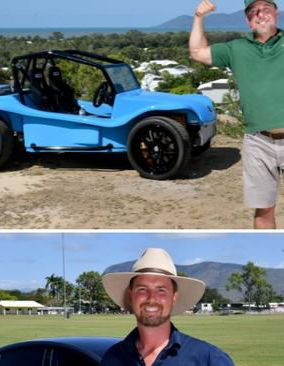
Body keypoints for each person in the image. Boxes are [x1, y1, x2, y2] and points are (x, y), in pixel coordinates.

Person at [190, 0, 284, 229]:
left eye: (265, 9)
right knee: (263, 209)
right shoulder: (237, 49)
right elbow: (197, 52)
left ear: (277, 13)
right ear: (247, 20)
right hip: (257, 141)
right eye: (253, 12)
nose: (260, 15)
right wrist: (199, 17)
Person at [100, 248, 234, 366]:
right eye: (142, 289)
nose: (151, 298)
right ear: (130, 296)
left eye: (161, 290)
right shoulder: (112, 358)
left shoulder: (209, 360)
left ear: (174, 297)